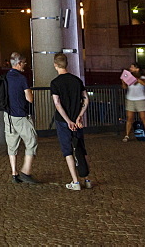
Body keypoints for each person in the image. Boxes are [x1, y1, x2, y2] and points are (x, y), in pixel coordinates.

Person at [50, 53, 91, 191]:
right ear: (66, 64)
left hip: (63, 121)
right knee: (81, 147)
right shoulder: (77, 80)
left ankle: (75, 181)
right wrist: (79, 116)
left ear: (55, 65)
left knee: (67, 150)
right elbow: (85, 99)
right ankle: (87, 179)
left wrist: (67, 120)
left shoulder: (55, 83)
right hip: (77, 120)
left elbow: (57, 103)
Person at [3, 51, 39, 184]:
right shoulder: (22, 78)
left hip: (8, 116)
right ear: (18, 63)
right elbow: (29, 99)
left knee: (12, 145)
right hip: (21, 116)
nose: (25, 65)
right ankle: (26, 171)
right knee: (32, 141)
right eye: (24, 63)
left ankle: (14, 173)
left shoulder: (5, 77)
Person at [122, 62, 145, 143]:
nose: (130, 68)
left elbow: (144, 83)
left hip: (140, 99)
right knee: (129, 118)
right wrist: (123, 81)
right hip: (130, 99)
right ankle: (127, 135)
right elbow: (124, 87)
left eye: (132, 67)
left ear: (137, 69)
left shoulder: (143, 77)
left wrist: (137, 79)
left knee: (143, 118)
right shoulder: (128, 77)